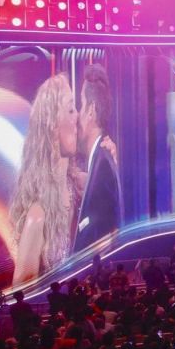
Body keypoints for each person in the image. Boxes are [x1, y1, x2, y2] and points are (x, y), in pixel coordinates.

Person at [8, 74, 78, 284]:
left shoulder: (77, 188)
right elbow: (21, 293)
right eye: (71, 109)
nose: (77, 116)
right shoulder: (38, 216)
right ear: (52, 126)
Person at [72, 65, 121, 252]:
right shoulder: (98, 163)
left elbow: (104, 243)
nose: (77, 115)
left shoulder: (103, 167)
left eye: (80, 105)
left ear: (91, 111)